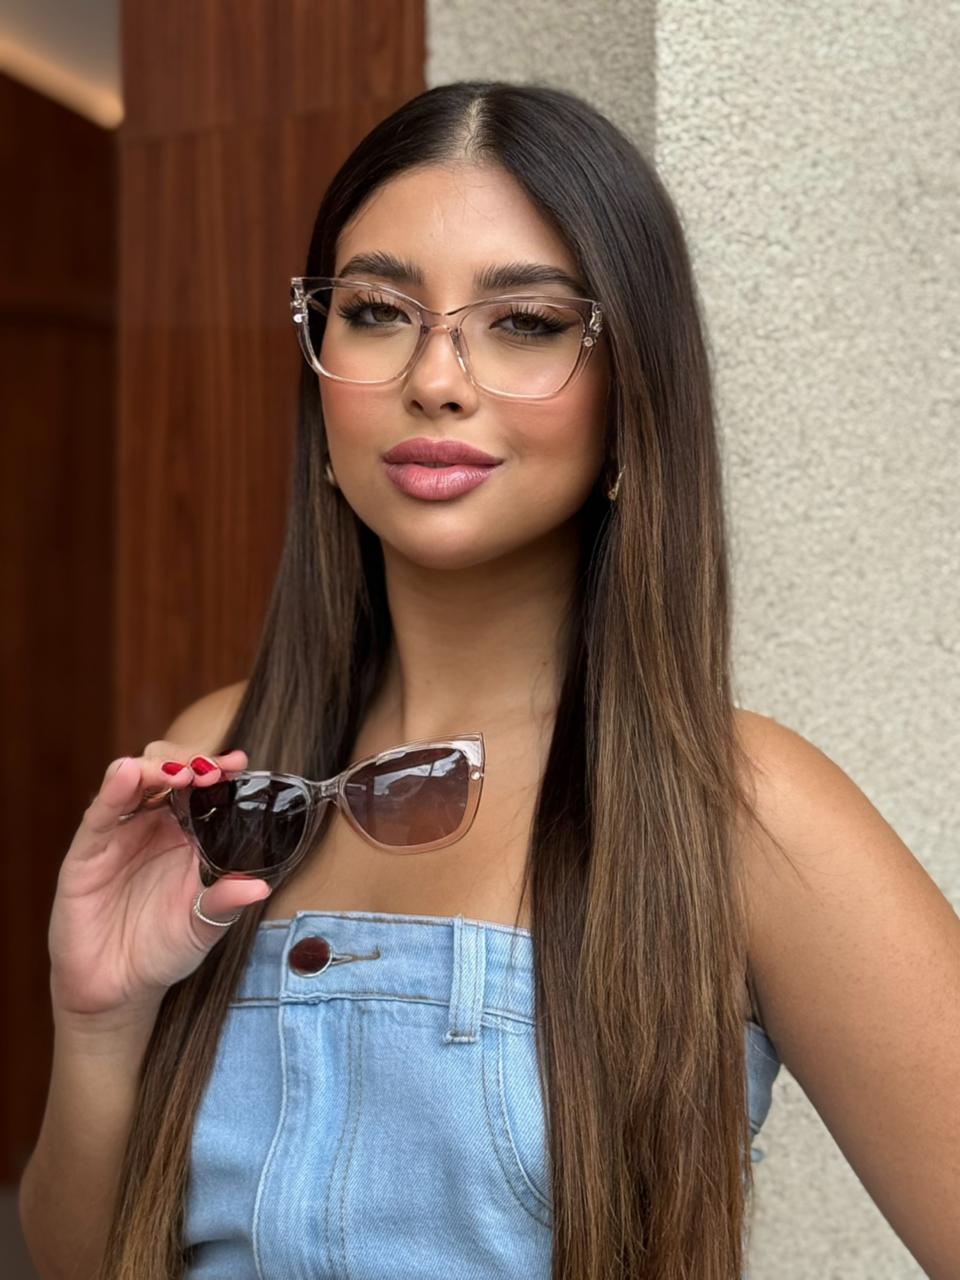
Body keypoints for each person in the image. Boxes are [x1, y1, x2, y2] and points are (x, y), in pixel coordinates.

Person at [19, 81, 958, 1280]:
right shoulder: (233, 755)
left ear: (631, 390)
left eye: (524, 321)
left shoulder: (742, 810)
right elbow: (88, 1258)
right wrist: (100, 1022)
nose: (437, 378)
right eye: (377, 310)